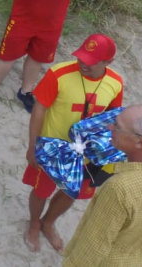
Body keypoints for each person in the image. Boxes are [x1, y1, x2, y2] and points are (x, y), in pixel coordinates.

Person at [24, 34, 124, 253]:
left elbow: (113, 118)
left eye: (91, 61)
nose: (83, 63)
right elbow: (39, 109)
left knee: (72, 193)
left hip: (87, 155)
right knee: (41, 190)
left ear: (108, 62)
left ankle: (48, 222)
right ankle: (34, 223)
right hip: (53, 150)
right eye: (81, 57)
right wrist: (33, 146)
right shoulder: (58, 74)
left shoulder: (115, 83)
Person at [63, 105, 142, 266]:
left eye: (117, 126)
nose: (110, 127)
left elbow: (92, 248)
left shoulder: (119, 189)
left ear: (141, 142)